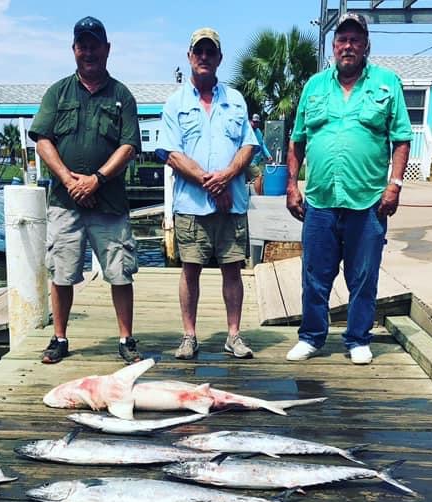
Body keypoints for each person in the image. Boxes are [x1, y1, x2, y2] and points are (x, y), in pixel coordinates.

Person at [285, 12, 411, 366]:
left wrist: (395, 185)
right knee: (314, 275)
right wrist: (292, 185)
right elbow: (297, 141)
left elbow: (401, 139)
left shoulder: (387, 83)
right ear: (333, 45)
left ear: (366, 45)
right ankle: (311, 337)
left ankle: (358, 338)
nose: (348, 46)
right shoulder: (314, 86)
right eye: (342, 39)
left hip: (368, 201)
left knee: (363, 276)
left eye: (356, 39)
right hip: (320, 201)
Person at [29, 16, 142, 365]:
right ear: (74, 49)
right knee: (61, 272)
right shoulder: (57, 92)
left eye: (94, 45)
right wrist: (69, 180)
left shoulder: (122, 95)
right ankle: (60, 338)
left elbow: (128, 146)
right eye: (83, 46)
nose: (88, 52)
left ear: (107, 49)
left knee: (120, 272)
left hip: (109, 202)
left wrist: (97, 179)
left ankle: (126, 339)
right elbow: (42, 140)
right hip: (65, 202)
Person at [158, 27, 258, 360]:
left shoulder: (236, 99)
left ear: (219, 58)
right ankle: (189, 336)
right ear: (189, 56)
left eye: (210, 51)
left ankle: (234, 335)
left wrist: (227, 177)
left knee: (233, 269)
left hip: (232, 204)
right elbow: (171, 154)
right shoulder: (175, 103)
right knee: (190, 269)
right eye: (198, 51)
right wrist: (212, 184)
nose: (204, 57)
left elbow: (248, 146)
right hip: (192, 205)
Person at [247, 113, 272, 194]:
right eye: (254, 122)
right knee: (258, 176)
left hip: (256, 161)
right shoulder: (247, 131)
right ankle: (258, 197)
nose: (255, 124)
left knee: (256, 178)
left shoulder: (259, 132)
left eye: (257, 122)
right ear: (250, 121)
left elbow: (262, 145)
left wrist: (268, 155)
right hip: (248, 161)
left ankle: (256, 194)